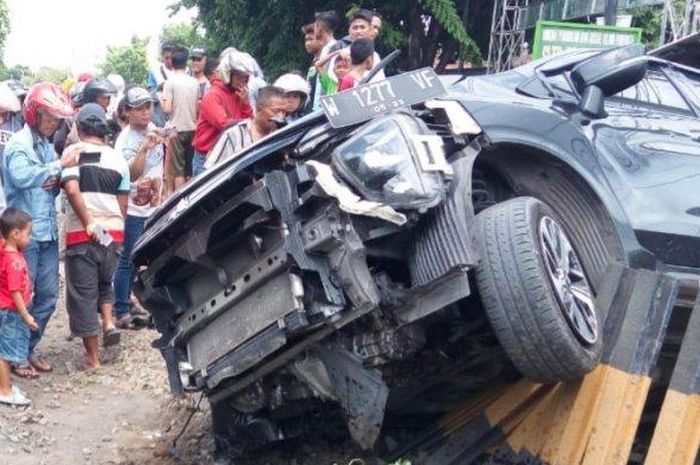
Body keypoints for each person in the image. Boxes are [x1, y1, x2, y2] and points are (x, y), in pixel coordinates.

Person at [2, 82, 77, 378]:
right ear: (34, 113)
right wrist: (57, 167)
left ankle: (27, 348)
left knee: (47, 296)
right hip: (22, 236)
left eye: (57, 119)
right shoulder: (19, 144)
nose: (54, 123)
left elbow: (50, 184)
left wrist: (53, 173)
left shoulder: (45, 145)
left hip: (45, 231)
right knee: (20, 297)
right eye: (50, 117)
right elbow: (22, 177)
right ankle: (15, 355)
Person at [61, 104, 130, 369]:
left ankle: (92, 358)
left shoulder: (72, 153)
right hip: (112, 232)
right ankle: (109, 322)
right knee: (104, 282)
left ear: (79, 127)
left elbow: (71, 189)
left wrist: (89, 222)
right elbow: (123, 205)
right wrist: (110, 229)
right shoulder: (118, 159)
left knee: (82, 294)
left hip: (82, 232)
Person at [113, 87, 167, 329]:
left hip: (154, 206)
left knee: (154, 257)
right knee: (128, 259)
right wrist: (144, 148)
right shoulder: (125, 140)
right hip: (134, 209)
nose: (146, 112)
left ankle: (146, 304)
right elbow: (130, 175)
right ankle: (121, 308)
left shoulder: (155, 129)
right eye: (139, 108)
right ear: (128, 111)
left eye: (148, 106)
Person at [191, 48, 255, 176]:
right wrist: (249, 122)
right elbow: (225, 125)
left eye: (245, 77)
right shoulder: (212, 95)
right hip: (207, 158)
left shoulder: (238, 94)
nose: (243, 81)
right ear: (228, 74)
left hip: (228, 156)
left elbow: (249, 126)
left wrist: (246, 103)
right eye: (240, 76)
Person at [0, 208, 36, 406]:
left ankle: (5, 385)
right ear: (15, 233)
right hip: (12, 312)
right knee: (6, 353)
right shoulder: (13, 261)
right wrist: (26, 316)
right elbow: (15, 292)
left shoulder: (5, 252)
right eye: (28, 233)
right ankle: (4, 391)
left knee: (4, 349)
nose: (30, 238)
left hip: (6, 310)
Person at [204, 86, 287, 169]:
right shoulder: (234, 135)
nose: (281, 116)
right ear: (259, 109)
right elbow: (209, 172)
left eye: (284, 112)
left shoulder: (282, 135)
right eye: (276, 111)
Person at [161, 49, 200, 189]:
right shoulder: (194, 82)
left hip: (176, 129)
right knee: (189, 168)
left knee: (178, 170)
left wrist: (161, 99)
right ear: (186, 63)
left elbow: (167, 108)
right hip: (193, 127)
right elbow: (197, 107)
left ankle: (181, 202)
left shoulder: (169, 82)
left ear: (171, 63)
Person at [54, 78, 117, 155]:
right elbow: (59, 146)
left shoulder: (108, 120)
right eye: (104, 98)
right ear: (92, 97)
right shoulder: (72, 121)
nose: (108, 101)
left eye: (108, 98)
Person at [311, 11, 341, 109]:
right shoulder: (325, 48)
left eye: (316, 25)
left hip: (329, 100)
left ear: (320, 27)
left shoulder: (335, 48)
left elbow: (333, 79)